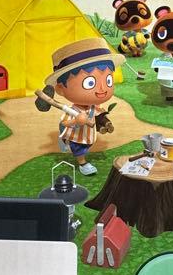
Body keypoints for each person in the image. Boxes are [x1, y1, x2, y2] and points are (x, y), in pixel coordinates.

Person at [42, 38, 122, 175]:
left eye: (108, 80)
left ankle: (67, 143)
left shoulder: (93, 106)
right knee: (79, 148)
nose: (102, 89)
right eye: (90, 83)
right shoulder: (73, 110)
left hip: (88, 134)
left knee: (87, 144)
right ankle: (82, 163)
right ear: (60, 89)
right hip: (77, 135)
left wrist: (104, 121)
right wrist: (76, 120)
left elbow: (98, 114)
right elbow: (64, 123)